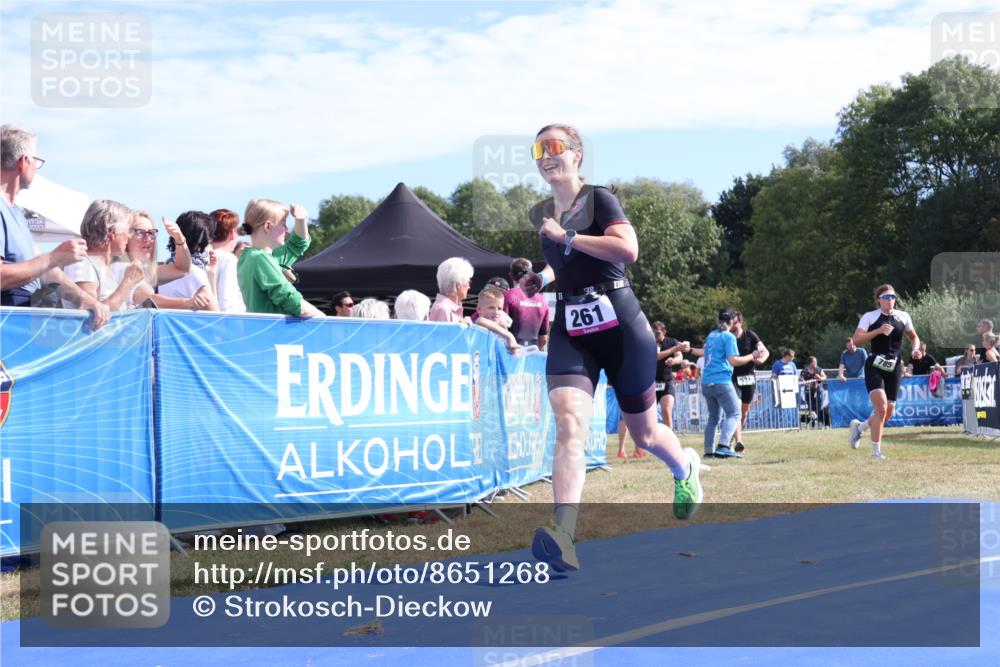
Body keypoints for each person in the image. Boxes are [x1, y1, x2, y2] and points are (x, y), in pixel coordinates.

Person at [524, 123, 703, 573]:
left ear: (577, 154)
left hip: (621, 327)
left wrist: (566, 236)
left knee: (644, 434)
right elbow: (567, 263)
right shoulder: (542, 211)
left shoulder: (599, 198)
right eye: (539, 148)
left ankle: (684, 469)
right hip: (571, 328)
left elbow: (628, 249)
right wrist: (542, 278)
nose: (547, 155)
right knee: (568, 425)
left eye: (555, 146)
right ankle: (564, 534)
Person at [0, 124, 110, 328]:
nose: (36, 168)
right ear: (24, 162)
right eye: (37, 161)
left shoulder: (15, 212)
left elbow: (47, 271)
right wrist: (54, 257)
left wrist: (84, 299)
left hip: (18, 324)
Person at [847, 284, 920, 459]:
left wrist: (915, 349)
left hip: (895, 366)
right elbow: (856, 339)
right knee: (880, 408)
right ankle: (876, 452)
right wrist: (878, 331)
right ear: (879, 299)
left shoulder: (903, 316)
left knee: (887, 414)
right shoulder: (870, 317)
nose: (890, 300)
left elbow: (914, 337)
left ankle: (860, 427)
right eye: (886, 297)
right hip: (875, 364)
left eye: (893, 297)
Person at [237, 199, 323, 318]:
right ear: (267, 226)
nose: (287, 230)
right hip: (275, 334)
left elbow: (298, 244)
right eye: (283, 223)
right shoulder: (260, 258)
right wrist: (325, 321)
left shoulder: (248, 257)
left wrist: (301, 220)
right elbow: (291, 300)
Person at [59, 199, 147, 312]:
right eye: (128, 230)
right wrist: (128, 282)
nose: (130, 236)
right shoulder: (82, 263)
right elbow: (89, 315)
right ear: (113, 232)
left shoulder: (101, 267)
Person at [109, 210, 208, 309]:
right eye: (140, 232)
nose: (148, 238)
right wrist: (189, 302)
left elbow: (183, 269)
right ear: (127, 236)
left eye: (151, 233)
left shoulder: (143, 269)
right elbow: (149, 299)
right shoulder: (121, 267)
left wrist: (179, 239)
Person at [702, 309, 764, 459]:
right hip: (721, 381)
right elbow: (734, 361)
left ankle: (708, 452)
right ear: (731, 322)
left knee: (713, 418)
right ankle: (723, 446)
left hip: (706, 382)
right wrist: (752, 356)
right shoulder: (728, 336)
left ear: (718, 321)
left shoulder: (711, 335)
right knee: (735, 413)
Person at [157, 210, 220, 311]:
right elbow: (215, 316)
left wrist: (211, 273)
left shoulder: (166, 268)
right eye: (210, 237)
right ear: (203, 241)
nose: (211, 242)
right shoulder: (195, 273)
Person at [730, 310, 768, 452]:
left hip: (749, 377)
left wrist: (760, 359)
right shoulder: (727, 337)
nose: (730, 323)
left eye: (733, 321)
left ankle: (732, 436)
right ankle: (739, 441)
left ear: (740, 322)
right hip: (733, 377)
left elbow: (764, 351)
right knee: (736, 409)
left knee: (744, 412)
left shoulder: (749, 335)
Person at [504, 258, 550, 350]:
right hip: (533, 354)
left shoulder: (508, 296)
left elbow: (502, 326)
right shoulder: (543, 300)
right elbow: (544, 338)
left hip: (511, 353)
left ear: (511, 275)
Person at [210, 209, 246, 313]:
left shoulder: (199, 257)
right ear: (232, 233)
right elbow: (228, 302)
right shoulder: (228, 259)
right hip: (226, 324)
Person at [429, 257, 473, 324]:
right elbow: (444, 334)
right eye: (468, 282)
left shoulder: (448, 308)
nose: (469, 287)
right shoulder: (443, 309)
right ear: (458, 285)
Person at [799, 356, 829, 426]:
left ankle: (820, 422)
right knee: (811, 408)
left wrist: (820, 377)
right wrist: (804, 381)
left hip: (818, 391)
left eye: (816, 362)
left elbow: (825, 377)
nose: (816, 363)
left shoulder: (819, 370)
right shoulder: (804, 371)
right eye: (814, 362)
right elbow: (801, 379)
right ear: (810, 363)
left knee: (819, 407)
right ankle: (812, 423)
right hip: (808, 392)